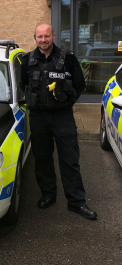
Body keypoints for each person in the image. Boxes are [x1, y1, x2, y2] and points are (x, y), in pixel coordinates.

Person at [20, 23, 97, 220]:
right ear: (35, 38)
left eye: (47, 36)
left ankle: (76, 202)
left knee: (70, 160)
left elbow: (80, 85)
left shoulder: (68, 58)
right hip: (38, 118)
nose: (43, 40)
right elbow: (24, 85)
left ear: (53, 36)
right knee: (43, 159)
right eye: (39, 37)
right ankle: (48, 194)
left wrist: (65, 101)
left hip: (62, 117)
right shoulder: (27, 60)